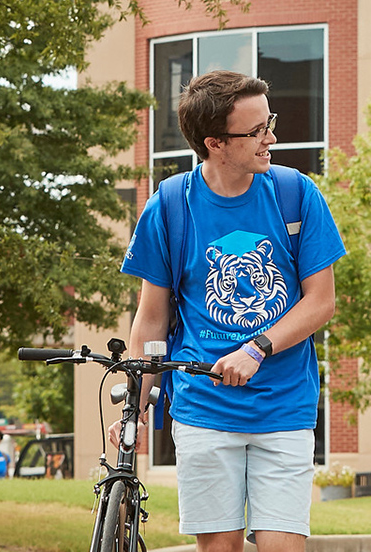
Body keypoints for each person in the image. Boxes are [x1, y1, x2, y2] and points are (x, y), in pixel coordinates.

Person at [121, 69, 346, 552]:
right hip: (204, 409)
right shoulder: (171, 207)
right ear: (215, 143)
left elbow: (321, 301)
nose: (272, 138)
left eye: (270, 122)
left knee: (283, 546)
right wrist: (137, 405)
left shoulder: (295, 194)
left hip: (284, 407)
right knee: (219, 548)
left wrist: (257, 348)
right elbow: (152, 316)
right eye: (257, 131)